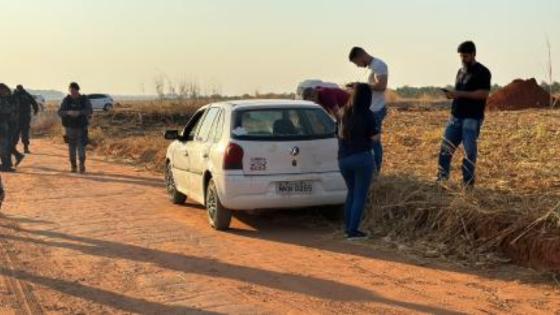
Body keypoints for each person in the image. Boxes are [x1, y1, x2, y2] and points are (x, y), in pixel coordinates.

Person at [437, 41, 491, 188]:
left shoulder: (483, 72)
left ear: (474, 54)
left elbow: (483, 94)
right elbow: (459, 93)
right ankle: (442, 181)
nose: (462, 59)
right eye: (461, 56)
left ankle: (467, 184)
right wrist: (452, 95)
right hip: (455, 117)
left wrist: (458, 93)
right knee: (445, 150)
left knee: (469, 152)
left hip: (472, 119)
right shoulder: (460, 71)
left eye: (465, 56)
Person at [337, 83, 379, 241]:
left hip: (343, 159)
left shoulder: (343, 113)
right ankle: (353, 231)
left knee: (351, 193)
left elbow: (339, 135)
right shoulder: (368, 115)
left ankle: (347, 228)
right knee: (360, 195)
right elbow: (375, 137)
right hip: (362, 158)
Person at [348, 47, 389, 173]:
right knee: (369, 141)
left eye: (357, 63)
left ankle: (376, 171)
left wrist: (360, 87)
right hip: (371, 109)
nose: (358, 66)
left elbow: (381, 86)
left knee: (374, 141)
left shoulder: (379, 65)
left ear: (361, 56)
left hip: (376, 109)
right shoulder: (373, 66)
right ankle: (372, 170)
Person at [58, 82, 92, 173]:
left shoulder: (84, 99)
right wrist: (68, 112)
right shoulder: (66, 100)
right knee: (71, 147)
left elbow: (89, 111)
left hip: (81, 127)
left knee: (81, 147)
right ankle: (73, 166)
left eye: (74, 91)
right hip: (69, 128)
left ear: (78, 90)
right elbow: (60, 112)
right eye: (71, 91)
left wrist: (79, 113)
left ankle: (82, 165)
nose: (72, 93)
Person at [0, 84, 20, 172]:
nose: (4, 92)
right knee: (4, 146)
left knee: (5, 146)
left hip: (5, 125)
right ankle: (6, 165)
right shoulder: (4, 100)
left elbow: (9, 111)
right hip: (4, 125)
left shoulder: (8, 99)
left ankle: (7, 165)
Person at [13, 85, 39, 154]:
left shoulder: (26, 95)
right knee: (16, 133)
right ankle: (15, 148)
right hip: (17, 118)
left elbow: (34, 103)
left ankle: (25, 148)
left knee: (24, 133)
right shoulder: (14, 96)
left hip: (24, 117)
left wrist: (36, 110)